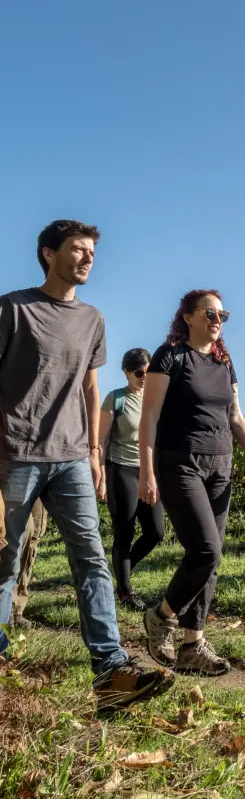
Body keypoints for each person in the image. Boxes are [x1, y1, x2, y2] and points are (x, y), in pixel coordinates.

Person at [0, 219, 172, 706]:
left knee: (92, 559)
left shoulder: (93, 319)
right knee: (4, 559)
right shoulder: (13, 309)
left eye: (92, 251)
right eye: (78, 249)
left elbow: (90, 388)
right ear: (48, 253)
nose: (88, 257)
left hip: (72, 457)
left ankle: (111, 671)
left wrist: (95, 454)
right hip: (13, 456)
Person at [138, 288, 245, 676]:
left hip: (221, 465)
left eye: (222, 315)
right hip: (179, 463)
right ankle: (161, 616)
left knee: (210, 560)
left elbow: (235, 416)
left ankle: (192, 646)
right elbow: (149, 417)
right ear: (188, 317)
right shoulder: (170, 356)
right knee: (206, 551)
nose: (218, 321)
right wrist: (146, 471)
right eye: (210, 314)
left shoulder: (224, 362)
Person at [98, 348, 164, 610]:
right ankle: (125, 592)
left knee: (156, 532)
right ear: (126, 372)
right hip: (121, 469)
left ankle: (120, 572)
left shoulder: (155, 399)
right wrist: (100, 475)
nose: (144, 377)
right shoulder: (116, 399)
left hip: (148, 472)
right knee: (124, 531)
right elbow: (101, 441)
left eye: (148, 372)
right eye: (139, 373)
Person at [11, 498, 48, 627]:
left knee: (33, 542)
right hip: (14, 488)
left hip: (41, 491)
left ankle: (17, 609)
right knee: (15, 539)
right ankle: (7, 607)